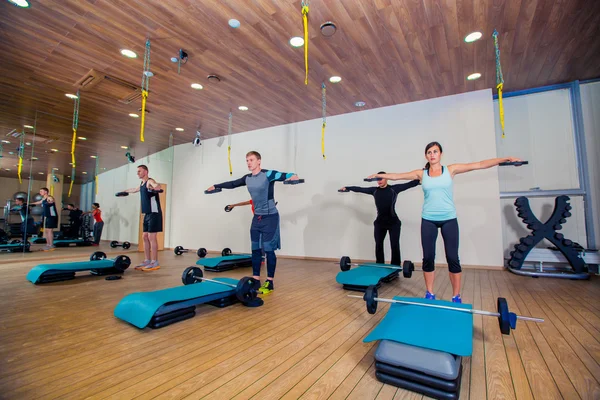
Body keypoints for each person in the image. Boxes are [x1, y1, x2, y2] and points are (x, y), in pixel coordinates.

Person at [368, 142, 522, 303]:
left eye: (435, 151)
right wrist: (380, 176)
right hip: (428, 220)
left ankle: (456, 296)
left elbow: (479, 164)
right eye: (429, 152)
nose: (432, 154)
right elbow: (398, 176)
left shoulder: (450, 170)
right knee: (428, 257)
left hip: (449, 219)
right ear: (426, 156)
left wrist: (506, 158)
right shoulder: (422, 174)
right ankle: (429, 293)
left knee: (453, 258)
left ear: (440, 154)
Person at [208, 151, 299, 294]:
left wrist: (292, 176)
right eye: (247, 160)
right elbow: (233, 183)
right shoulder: (247, 178)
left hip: (270, 217)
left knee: (269, 249)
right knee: (255, 249)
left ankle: (269, 281)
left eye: (251, 160)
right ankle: (256, 279)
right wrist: (216, 185)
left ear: (259, 161)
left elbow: (284, 175)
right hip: (257, 218)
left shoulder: (268, 174)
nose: (249, 163)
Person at [339, 173, 420, 266]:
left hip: (394, 223)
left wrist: (421, 177)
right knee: (378, 245)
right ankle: (379, 266)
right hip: (380, 223)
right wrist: (347, 188)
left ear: (387, 179)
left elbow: (409, 184)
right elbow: (360, 189)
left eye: (381, 179)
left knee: (394, 245)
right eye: (377, 179)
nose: (379, 181)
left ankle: (395, 267)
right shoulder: (374, 190)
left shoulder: (394, 189)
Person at [120, 165, 162, 271]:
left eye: (139, 171)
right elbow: (134, 189)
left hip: (154, 213)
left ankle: (154, 261)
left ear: (146, 172)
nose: (137, 173)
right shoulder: (142, 184)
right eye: (137, 171)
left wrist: (155, 188)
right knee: (144, 237)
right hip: (147, 214)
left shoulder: (149, 181)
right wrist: (125, 191)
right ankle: (147, 260)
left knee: (152, 237)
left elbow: (157, 185)